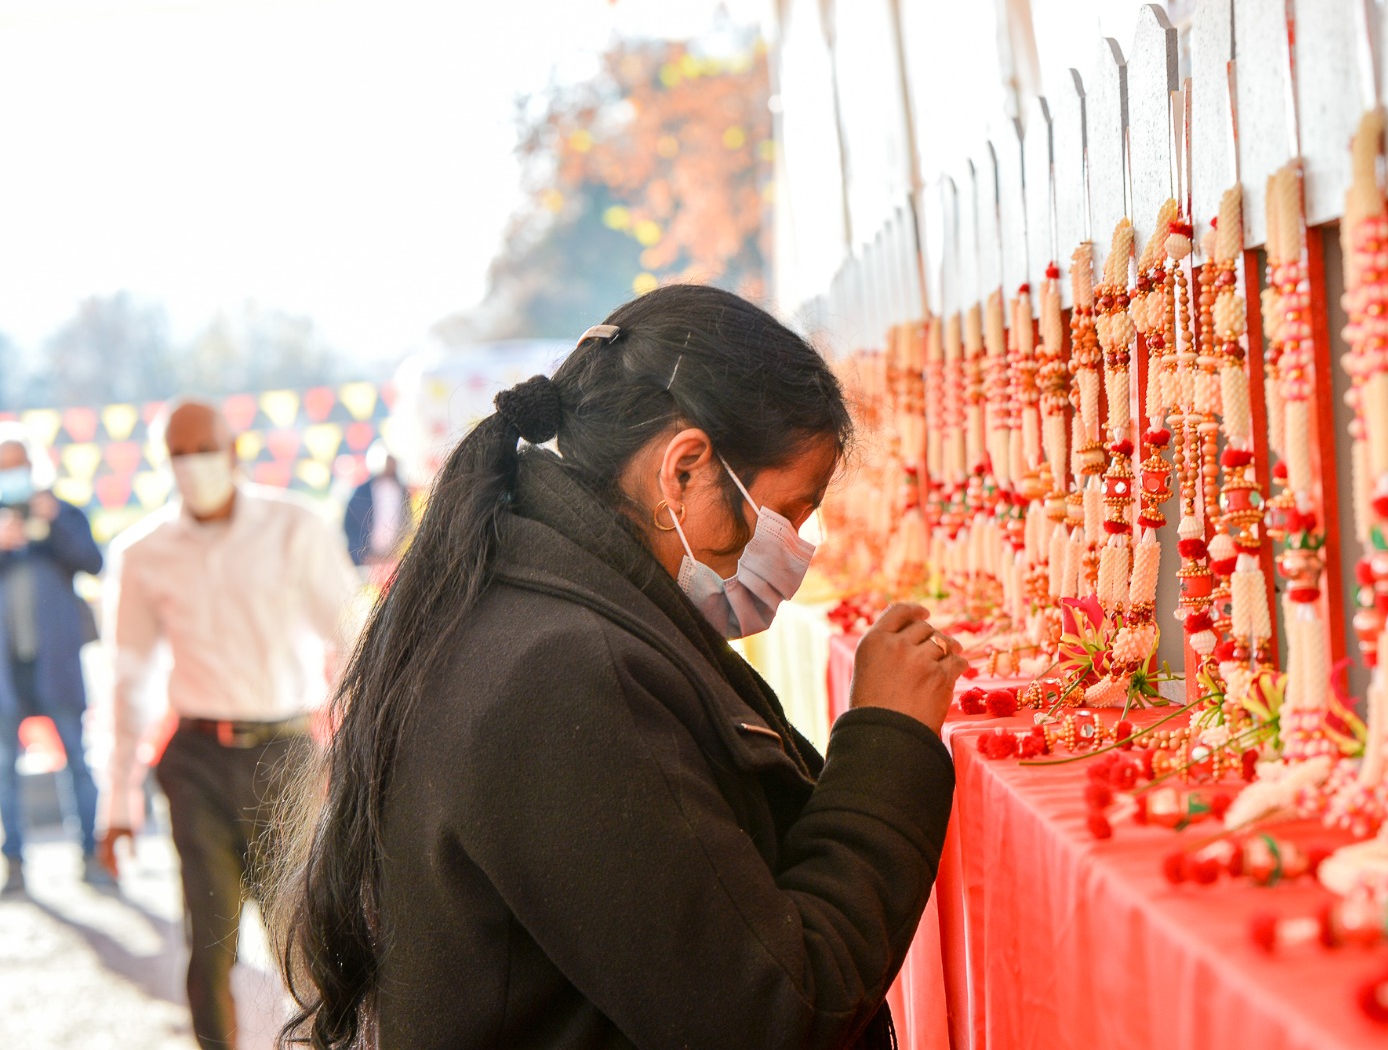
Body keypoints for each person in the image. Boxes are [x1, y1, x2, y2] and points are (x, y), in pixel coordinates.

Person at [271, 284, 966, 1050]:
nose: (797, 553)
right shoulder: (563, 676)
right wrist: (888, 737)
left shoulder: (549, 614)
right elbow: (768, 1012)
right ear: (684, 470)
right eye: (789, 515)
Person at [98, 398, 360, 1050]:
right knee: (209, 944)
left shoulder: (294, 528)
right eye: (179, 455)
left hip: (286, 755)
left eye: (205, 450)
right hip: (198, 761)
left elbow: (355, 640)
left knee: (302, 940)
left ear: (234, 451)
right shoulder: (143, 552)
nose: (194, 466)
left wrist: (367, 751)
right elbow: (127, 682)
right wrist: (117, 799)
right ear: (165, 462)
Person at [0, 425, 105, 894]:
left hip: (57, 667)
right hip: (7, 672)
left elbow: (93, 562)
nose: (11, 475)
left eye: (17, 465)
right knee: (5, 770)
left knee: (77, 760)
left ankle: (92, 855)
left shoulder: (62, 511)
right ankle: (14, 863)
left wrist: (54, 520)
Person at [341, 443, 412, 580]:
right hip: (365, 563)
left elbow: (407, 522)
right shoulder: (362, 492)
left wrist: (398, 552)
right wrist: (364, 555)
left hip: (393, 561)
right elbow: (351, 525)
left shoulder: (402, 491)